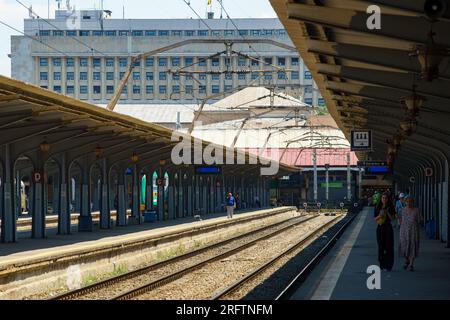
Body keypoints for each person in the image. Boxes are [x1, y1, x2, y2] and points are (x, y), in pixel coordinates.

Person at [374, 193, 396, 271]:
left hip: (388, 228)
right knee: (381, 247)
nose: (384, 199)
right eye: (383, 198)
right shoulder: (377, 207)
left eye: (386, 198)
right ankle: (381, 264)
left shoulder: (391, 207)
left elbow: (393, 218)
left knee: (388, 247)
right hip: (380, 228)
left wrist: (387, 213)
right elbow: (375, 219)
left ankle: (388, 265)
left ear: (388, 199)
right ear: (381, 199)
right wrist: (380, 215)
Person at [399, 197, 421, 271]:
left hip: (413, 231)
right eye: (407, 201)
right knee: (404, 246)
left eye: (410, 201)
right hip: (404, 231)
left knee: (413, 246)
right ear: (405, 202)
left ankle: (411, 264)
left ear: (413, 202)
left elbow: (419, 220)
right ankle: (407, 259)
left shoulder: (416, 210)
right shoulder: (402, 210)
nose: (409, 203)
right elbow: (400, 220)